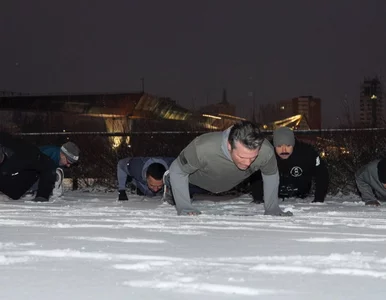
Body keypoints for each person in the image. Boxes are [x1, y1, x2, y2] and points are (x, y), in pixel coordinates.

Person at [164, 120, 293, 216]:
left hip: (229, 184)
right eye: (242, 157)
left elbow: (271, 175)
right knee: (178, 178)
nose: (248, 163)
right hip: (195, 181)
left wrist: (272, 209)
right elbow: (178, 170)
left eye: (253, 158)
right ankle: (169, 181)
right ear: (229, 146)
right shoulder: (202, 148)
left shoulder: (266, 152)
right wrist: (185, 207)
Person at [251, 127, 329, 203]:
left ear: (293, 144)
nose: (284, 150)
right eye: (279, 146)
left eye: (288, 146)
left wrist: (319, 198)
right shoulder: (265, 154)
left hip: (301, 196)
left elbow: (322, 173)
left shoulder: (307, 153)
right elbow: (255, 175)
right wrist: (258, 198)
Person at [0, 132, 56, 202]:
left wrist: (42, 196)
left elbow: (48, 166)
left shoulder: (25, 152)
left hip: (32, 170)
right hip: (13, 175)